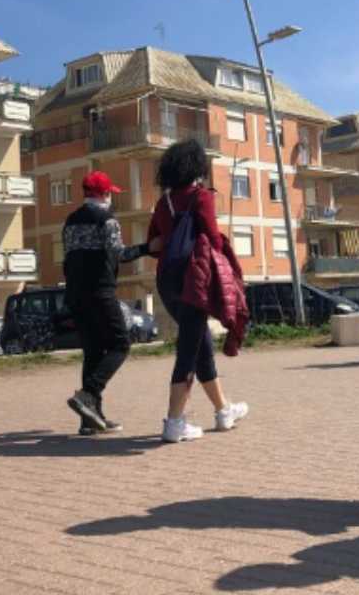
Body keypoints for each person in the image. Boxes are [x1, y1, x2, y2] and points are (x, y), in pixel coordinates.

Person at [148, 139, 249, 443]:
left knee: (200, 343)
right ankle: (174, 422)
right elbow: (213, 239)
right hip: (195, 279)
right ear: (197, 167)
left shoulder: (163, 203)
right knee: (189, 350)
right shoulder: (201, 197)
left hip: (167, 279)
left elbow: (154, 244)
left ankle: (223, 411)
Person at [63, 171, 156, 436]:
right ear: (104, 194)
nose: (112, 198)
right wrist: (149, 247)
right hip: (100, 292)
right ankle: (88, 394)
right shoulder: (107, 220)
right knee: (120, 344)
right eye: (111, 194)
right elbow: (120, 254)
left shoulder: (70, 221)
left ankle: (90, 420)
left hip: (75, 294)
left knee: (93, 352)